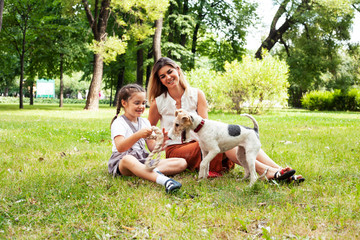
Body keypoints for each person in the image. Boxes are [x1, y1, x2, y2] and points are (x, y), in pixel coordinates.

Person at [147, 57, 305, 183]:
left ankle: (283, 171)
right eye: (163, 76)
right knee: (226, 141)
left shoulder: (197, 94)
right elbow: (147, 131)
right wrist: (157, 147)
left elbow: (205, 129)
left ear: (178, 70)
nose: (168, 77)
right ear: (160, 80)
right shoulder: (158, 102)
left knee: (241, 136)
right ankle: (268, 172)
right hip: (178, 151)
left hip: (203, 144)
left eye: (170, 72)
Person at [108, 84, 187, 193]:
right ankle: (165, 181)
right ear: (124, 103)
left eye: (143, 103)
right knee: (128, 159)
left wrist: (162, 142)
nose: (141, 106)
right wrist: (138, 135)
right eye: (137, 103)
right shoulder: (119, 123)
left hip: (143, 160)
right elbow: (120, 147)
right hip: (124, 161)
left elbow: (151, 147)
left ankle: (143, 173)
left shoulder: (145, 122)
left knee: (181, 162)